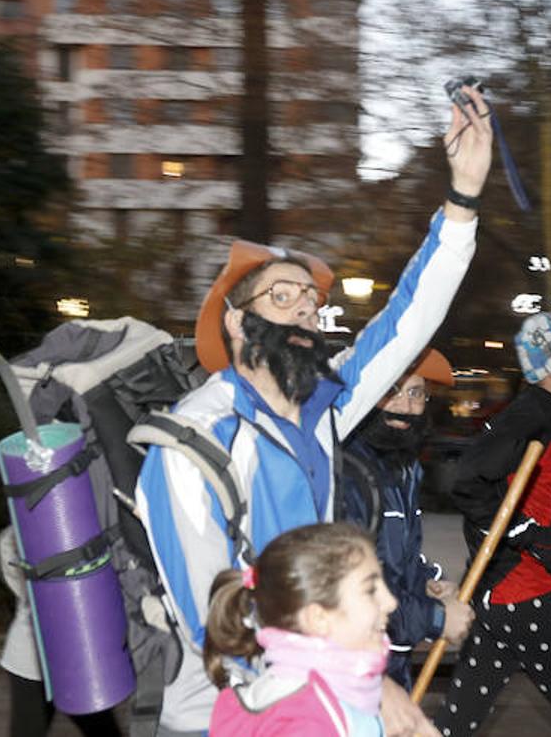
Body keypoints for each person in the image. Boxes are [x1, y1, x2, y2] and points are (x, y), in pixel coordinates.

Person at [135, 83, 492, 737]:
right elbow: (217, 618)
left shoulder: (323, 408)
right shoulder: (191, 442)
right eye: (283, 296)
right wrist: (359, 686)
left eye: (310, 299)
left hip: (321, 700)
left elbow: (405, 325)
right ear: (238, 326)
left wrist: (463, 198)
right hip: (224, 717)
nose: (305, 307)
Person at [437, 312, 551, 737]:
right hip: (523, 592)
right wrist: (537, 541)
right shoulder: (528, 418)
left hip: (507, 590)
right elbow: (470, 484)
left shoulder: (550, 418)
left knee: (455, 725)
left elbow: (545, 501)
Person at [340, 349, 475, 688]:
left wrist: (427, 583)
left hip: (391, 667)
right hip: (355, 671)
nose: (404, 405)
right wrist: (436, 618)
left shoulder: (404, 466)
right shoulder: (345, 471)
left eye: (415, 393)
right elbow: (348, 597)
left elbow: (399, 556)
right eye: (391, 390)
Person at [205, 522, 397, 735]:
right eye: (370, 590)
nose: (391, 602)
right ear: (318, 618)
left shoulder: (334, 692)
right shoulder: (305, 723)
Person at [0, 527, 121, 737]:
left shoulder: (84, 521)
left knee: (102, 729)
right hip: (32, 658)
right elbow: (6, 545)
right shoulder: (26, 528)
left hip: (79, 656)